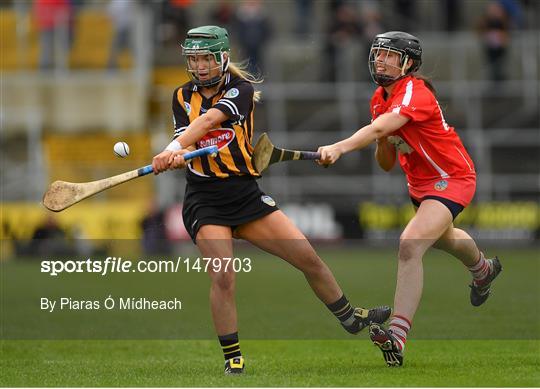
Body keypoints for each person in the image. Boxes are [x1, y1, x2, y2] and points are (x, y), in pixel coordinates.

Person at [151, 25, 390, 375]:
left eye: (206, 58)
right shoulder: (181, 96)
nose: (200, 66)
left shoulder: (240, 89)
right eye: (194, 59)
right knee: (224, 276)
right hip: (205, 200)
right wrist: (175, 155)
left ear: (221, 58)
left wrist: (173, 149)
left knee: (308, 258)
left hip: (245, 194)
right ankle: (233, 357)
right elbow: (188, 136)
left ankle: (350, 317)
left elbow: (209, 121)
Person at [317, 31, 503, 367]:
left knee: (410, 244)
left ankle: (397, 336)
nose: (380, 60)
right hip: (420, 186)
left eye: (389, 55)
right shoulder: (379, 98)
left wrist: (339, 147)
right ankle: (483, 269)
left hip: (452, 178)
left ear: (408, 64)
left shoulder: (414, 92)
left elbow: (378, 128)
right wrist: (383, 142)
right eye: (378, 54)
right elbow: (386, 163)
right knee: (446, 240)